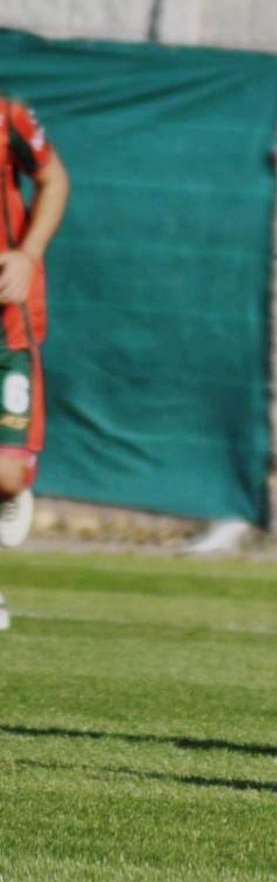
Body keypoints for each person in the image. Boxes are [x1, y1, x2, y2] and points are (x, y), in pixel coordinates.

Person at [0, 94, 70, 550]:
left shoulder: (9, 119)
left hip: (7, 325)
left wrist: (28, 255)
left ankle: (9, 490)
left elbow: (55, 181)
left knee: (6, 475)